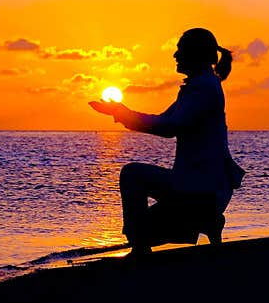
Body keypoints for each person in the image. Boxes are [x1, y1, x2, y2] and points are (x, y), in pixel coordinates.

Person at [90, 27, 244, 257]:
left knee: (133, 178)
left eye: (180, 50)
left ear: (195, 53)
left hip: (201, 189)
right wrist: (122, 113)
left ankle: (197, 222)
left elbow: (170, 127)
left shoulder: (203, 88)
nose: (175, 55)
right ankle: (206, 221)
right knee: (142, 219)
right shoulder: (199, 86)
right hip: (198, 186)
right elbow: (165, 120)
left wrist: (123, 113)